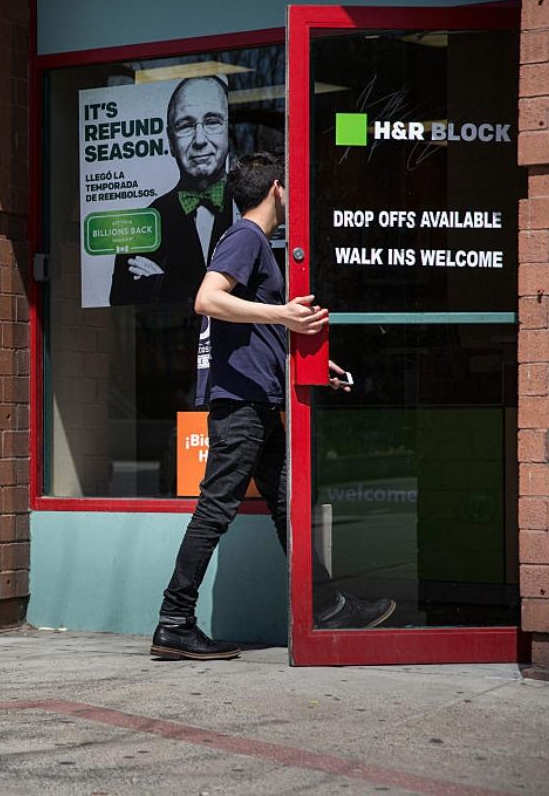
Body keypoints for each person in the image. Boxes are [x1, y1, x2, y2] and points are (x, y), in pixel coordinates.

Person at [149, 152, 396, 661]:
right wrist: (283, 314)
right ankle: (174, 621)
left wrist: (311, 364)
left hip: (257, 400)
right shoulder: (246, 237)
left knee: (286, 503)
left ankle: (326, 606)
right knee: (216, 508)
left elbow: (257, 330)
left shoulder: (250, 241)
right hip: (241, 405)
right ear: (278, 189)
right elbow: (207, 298)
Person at [110, 76, 234, 307]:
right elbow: (122, 307)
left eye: (212, 121)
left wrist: (163, 282)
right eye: (185, 126)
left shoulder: (247, 208)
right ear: (169, 140)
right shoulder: (144, 224)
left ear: (230, 130)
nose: (199, 140)